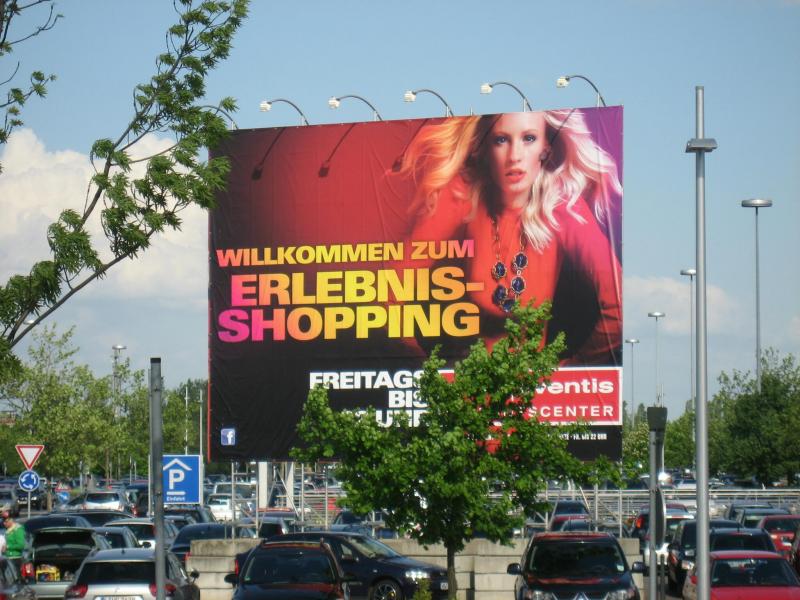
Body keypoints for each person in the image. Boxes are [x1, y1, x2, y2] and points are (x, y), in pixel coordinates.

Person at [398, 110, 622, 364]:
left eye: (529, 138)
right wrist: (428, 370)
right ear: (485, 149)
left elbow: (618, 303)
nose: (515, 156)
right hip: (467, 383)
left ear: (546, 148)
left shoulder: (562, 207)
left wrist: (572, 370)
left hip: (532, 385)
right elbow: (392, 287)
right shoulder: (463, 195)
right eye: (501, 140)